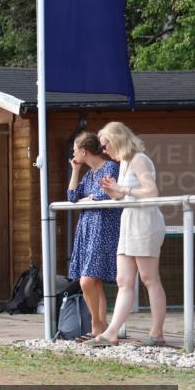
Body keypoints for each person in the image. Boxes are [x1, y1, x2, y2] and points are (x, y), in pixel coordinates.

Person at [89, 122, 167, 347]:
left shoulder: (139, 159)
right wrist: (113, 191)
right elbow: (125, 196)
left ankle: (157, 333)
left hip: (145, 222)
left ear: (116, 140)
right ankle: (111, 333)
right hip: (129, 222)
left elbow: (151, 191)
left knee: (149, 278)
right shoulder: (123, 163)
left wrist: (122, 189)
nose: (104, 150)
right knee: (123, 280)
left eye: (105, 144)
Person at [66, 131, 121, 340]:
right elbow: (72, 196)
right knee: (94, 282)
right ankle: (101, 328)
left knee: (86, 281)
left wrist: (89, 199)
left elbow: (103, 195)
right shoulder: (89, 174)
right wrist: (75, 170)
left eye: (75, 151)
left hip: (103, 228)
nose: (73, 154)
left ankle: (96, 326)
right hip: (87, 228)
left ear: (84, 151)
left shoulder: (110, 167)